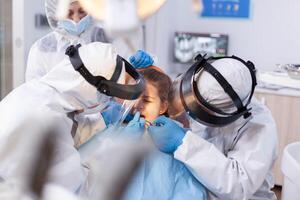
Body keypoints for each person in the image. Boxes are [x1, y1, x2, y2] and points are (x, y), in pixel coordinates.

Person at [0, 42, 145, 194]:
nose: (111, 101)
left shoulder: (39, 92)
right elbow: (78, 189)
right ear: (95, 90)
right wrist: (115, 158)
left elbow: (69, 129)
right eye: (110, 97)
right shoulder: (46, 119)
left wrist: (102, 120)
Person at [135, 54, 278, 199]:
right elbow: (171, 99)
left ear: (219, 115)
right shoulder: (204, 79)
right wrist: (151, 74)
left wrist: (184, 143)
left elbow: (238, 186)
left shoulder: (259, 127)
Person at [116, 67, 207, 200]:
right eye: (135, 97)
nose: (138, 105)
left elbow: (191, 194)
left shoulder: (179, 145)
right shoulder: (116, 132)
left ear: (163, 107)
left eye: (146, 100)